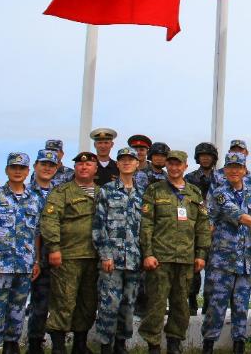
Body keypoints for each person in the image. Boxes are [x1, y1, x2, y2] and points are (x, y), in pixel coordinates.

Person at [139, 150, 211, 354]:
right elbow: (146, 225)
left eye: (178, 164)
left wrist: (201, 254)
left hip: (186, 258)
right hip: (160, 258)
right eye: (171, 164)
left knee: (181, 305)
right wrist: (148, 253)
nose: (174, 167)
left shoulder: (194, 193)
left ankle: (174, 343)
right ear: (166, 166)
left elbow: (202, 226)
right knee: (156, 304)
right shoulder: (154, 190)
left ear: (185, 167)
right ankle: (153, 345)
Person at [201, 152, 251, 354]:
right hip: (223, 260)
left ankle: (239, 344)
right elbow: (238, 215)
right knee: (216, 305)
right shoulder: (219, 193)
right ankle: (209, 345)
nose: (233, 171)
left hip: (247, 260)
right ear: (224, 169)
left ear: (244, 170)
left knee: (241, 305)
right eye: (229, 167)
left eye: (237, 167)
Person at [0, 152, 42, 354]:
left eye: (21, 168)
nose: (17, 171)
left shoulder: (35, 199)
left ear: (27, 171)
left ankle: (11, 345)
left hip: (24, 265)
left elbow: (37, 232)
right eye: (14, 167)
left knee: (17, 310)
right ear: (7, 170)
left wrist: (37, 260)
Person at [40, 152, 101, 354]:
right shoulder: (62, 192)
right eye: (80, 165)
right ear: (75, 168)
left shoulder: (103, 193)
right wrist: (54, 248)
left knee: (87, 303)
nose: (84, 167)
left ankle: (80, 345)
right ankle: (58, 347)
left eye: (89, 164)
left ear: (96, 169)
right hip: (68, 256)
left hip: (94, 258)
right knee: (63, 302)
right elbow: (50, 221)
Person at [92, 147, 145, 354]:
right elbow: (98, 225)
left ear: (137, 164)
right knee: (108, 304)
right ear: (118, 164)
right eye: (122, 160)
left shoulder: (142, 195)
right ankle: (106, 345)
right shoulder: (106, 190)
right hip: (111, 260)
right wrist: (105, 254)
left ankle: (121, 345)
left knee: (128, 304)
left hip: (133, 259)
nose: (126, 163)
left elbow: (146, 229)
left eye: (130, 160)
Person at [26, 149, 61, 354]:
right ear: (36, 166)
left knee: (59, 302)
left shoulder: (62, 192)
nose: (47, 168)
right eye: (43, 164)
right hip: (29, 257)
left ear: (57, 168)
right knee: (38, 303)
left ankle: (58, 344)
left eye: (51, 165)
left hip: (56, 255)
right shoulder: (24, 191)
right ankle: (34, 344)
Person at [184, 142, 219, 315]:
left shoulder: (220, 177)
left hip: (216, 228)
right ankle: (191, 300)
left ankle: (208, 302)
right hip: (196, 226)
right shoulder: (189, 178)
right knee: (194, 265)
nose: (205, 158)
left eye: (209, 155)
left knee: (213, 267)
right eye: (202, 155)